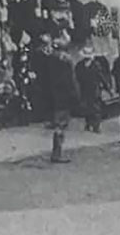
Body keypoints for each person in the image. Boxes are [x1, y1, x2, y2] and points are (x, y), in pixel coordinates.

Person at [45, 35, 80, 163]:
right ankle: (57, 153)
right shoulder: (65, 62)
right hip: (64, 96)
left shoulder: (49, 60)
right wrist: (75, 95)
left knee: (59, 124)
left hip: (53, 96)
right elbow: (70, 80)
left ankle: (57, 152)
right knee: (61, 125)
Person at [75, 45, 109, 133]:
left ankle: (96, 126)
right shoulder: (79, 65)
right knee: (86, 107)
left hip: (94, 88)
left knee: (96, 107)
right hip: (84, 88)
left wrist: (107, 87)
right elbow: (77, 77)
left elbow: (101, 77)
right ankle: (88, 123)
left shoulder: (96, 65)